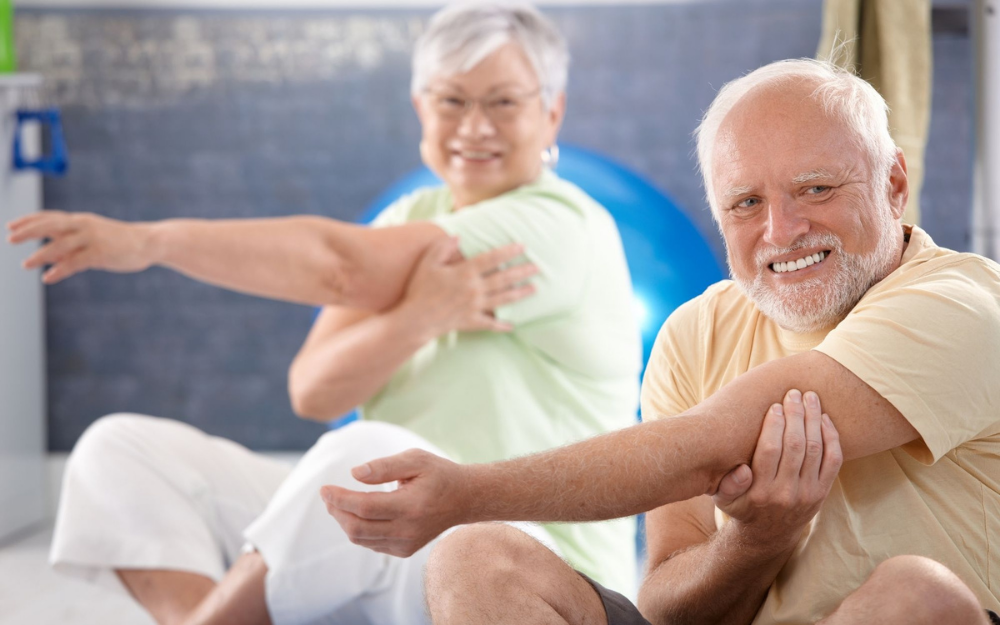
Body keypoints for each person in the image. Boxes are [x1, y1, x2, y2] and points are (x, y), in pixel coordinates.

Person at [6, 3, 641, 624]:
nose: (474, 126)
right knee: (117, 450)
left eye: (503, 102)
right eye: (452, 100)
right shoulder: (410, 218)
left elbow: (341, 265)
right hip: (388, 543)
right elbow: (312, 389)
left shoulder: (560, 224)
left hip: (512, 559)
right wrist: (417, 318)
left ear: (551, 110)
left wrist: (149, 242)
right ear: (421, 108)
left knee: (368, 458)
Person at [320, 58, 1000, 625]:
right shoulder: (696, 331)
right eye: (746, 204)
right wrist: (758, 538)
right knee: (474, 558)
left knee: (918, 593)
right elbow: (671, 604)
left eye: (816, 188)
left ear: (894, 184)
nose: (782, 229)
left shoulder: (962, 304)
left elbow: (711, 442)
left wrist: (464, 491)